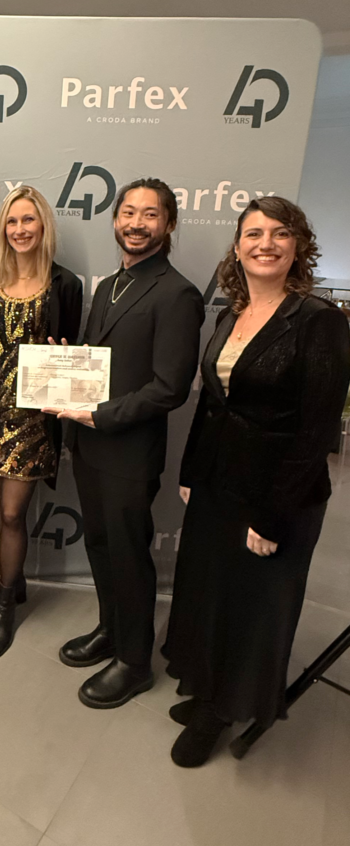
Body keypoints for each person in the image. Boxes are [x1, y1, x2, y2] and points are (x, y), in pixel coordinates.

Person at [163, 197, 350, 767]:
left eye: (279, 233)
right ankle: (207, 688)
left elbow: (317, 432)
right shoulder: (231, 315)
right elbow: (213, 405)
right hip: (218, 481)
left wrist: (273, 517)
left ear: (298, 246)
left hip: (277, 494)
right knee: (211, 594)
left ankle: (225, 708)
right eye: (253, 233)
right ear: (238, 246)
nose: (265, 243)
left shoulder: (318, 320)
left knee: (253, 606)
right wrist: (192, 472)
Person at [50, 178, 204, 709]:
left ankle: (135, 662)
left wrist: (100, 415)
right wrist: (66, 366)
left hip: (129, 452)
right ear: (115, 219)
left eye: (150, 214)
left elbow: (170, 388)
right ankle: (110, 630)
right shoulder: (110, 285)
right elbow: (100, 363)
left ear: (169, 224)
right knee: (98, 545)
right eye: (129, 213)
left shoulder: (177, 293)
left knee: (128, 555)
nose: (137, 223)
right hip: (90, 446)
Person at [0, 186, 82, 656]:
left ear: (43, 225)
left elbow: (71, 353)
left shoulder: (65, 283)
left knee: (12, 514)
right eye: (12, 221)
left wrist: (65, 358)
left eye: (29, 219)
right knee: (0, 506)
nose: (20, 229)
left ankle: (6, 602)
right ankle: (17, 583)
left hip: (31, 419)